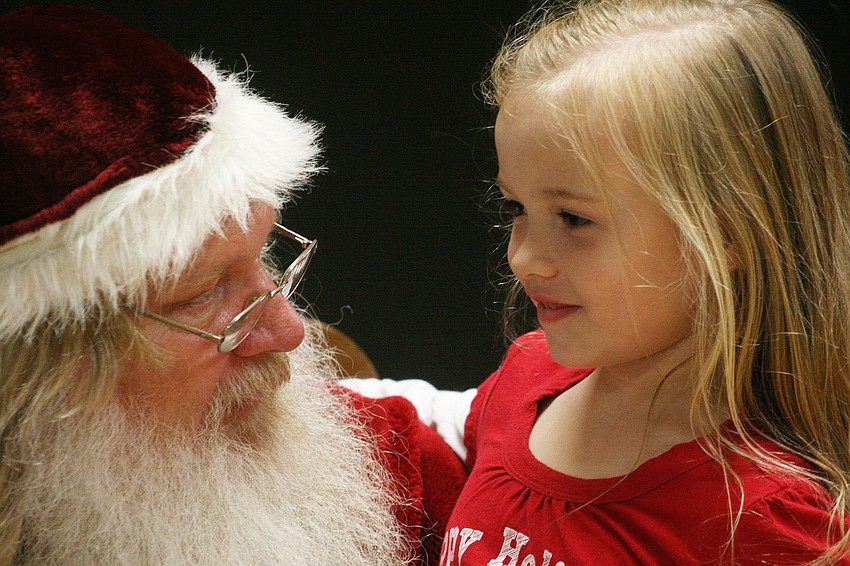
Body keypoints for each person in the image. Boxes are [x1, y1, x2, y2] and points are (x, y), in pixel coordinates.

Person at [344, 0, 850, 563]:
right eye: (515, 207)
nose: (523, 259)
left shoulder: (768, 525)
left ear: (729, 228)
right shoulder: (529, 376)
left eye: (574, 219)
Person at [0, 5, 466, 565]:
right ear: (32, 373)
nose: (288, 331)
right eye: (201, 294)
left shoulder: (396, 477)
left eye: (265, 254)